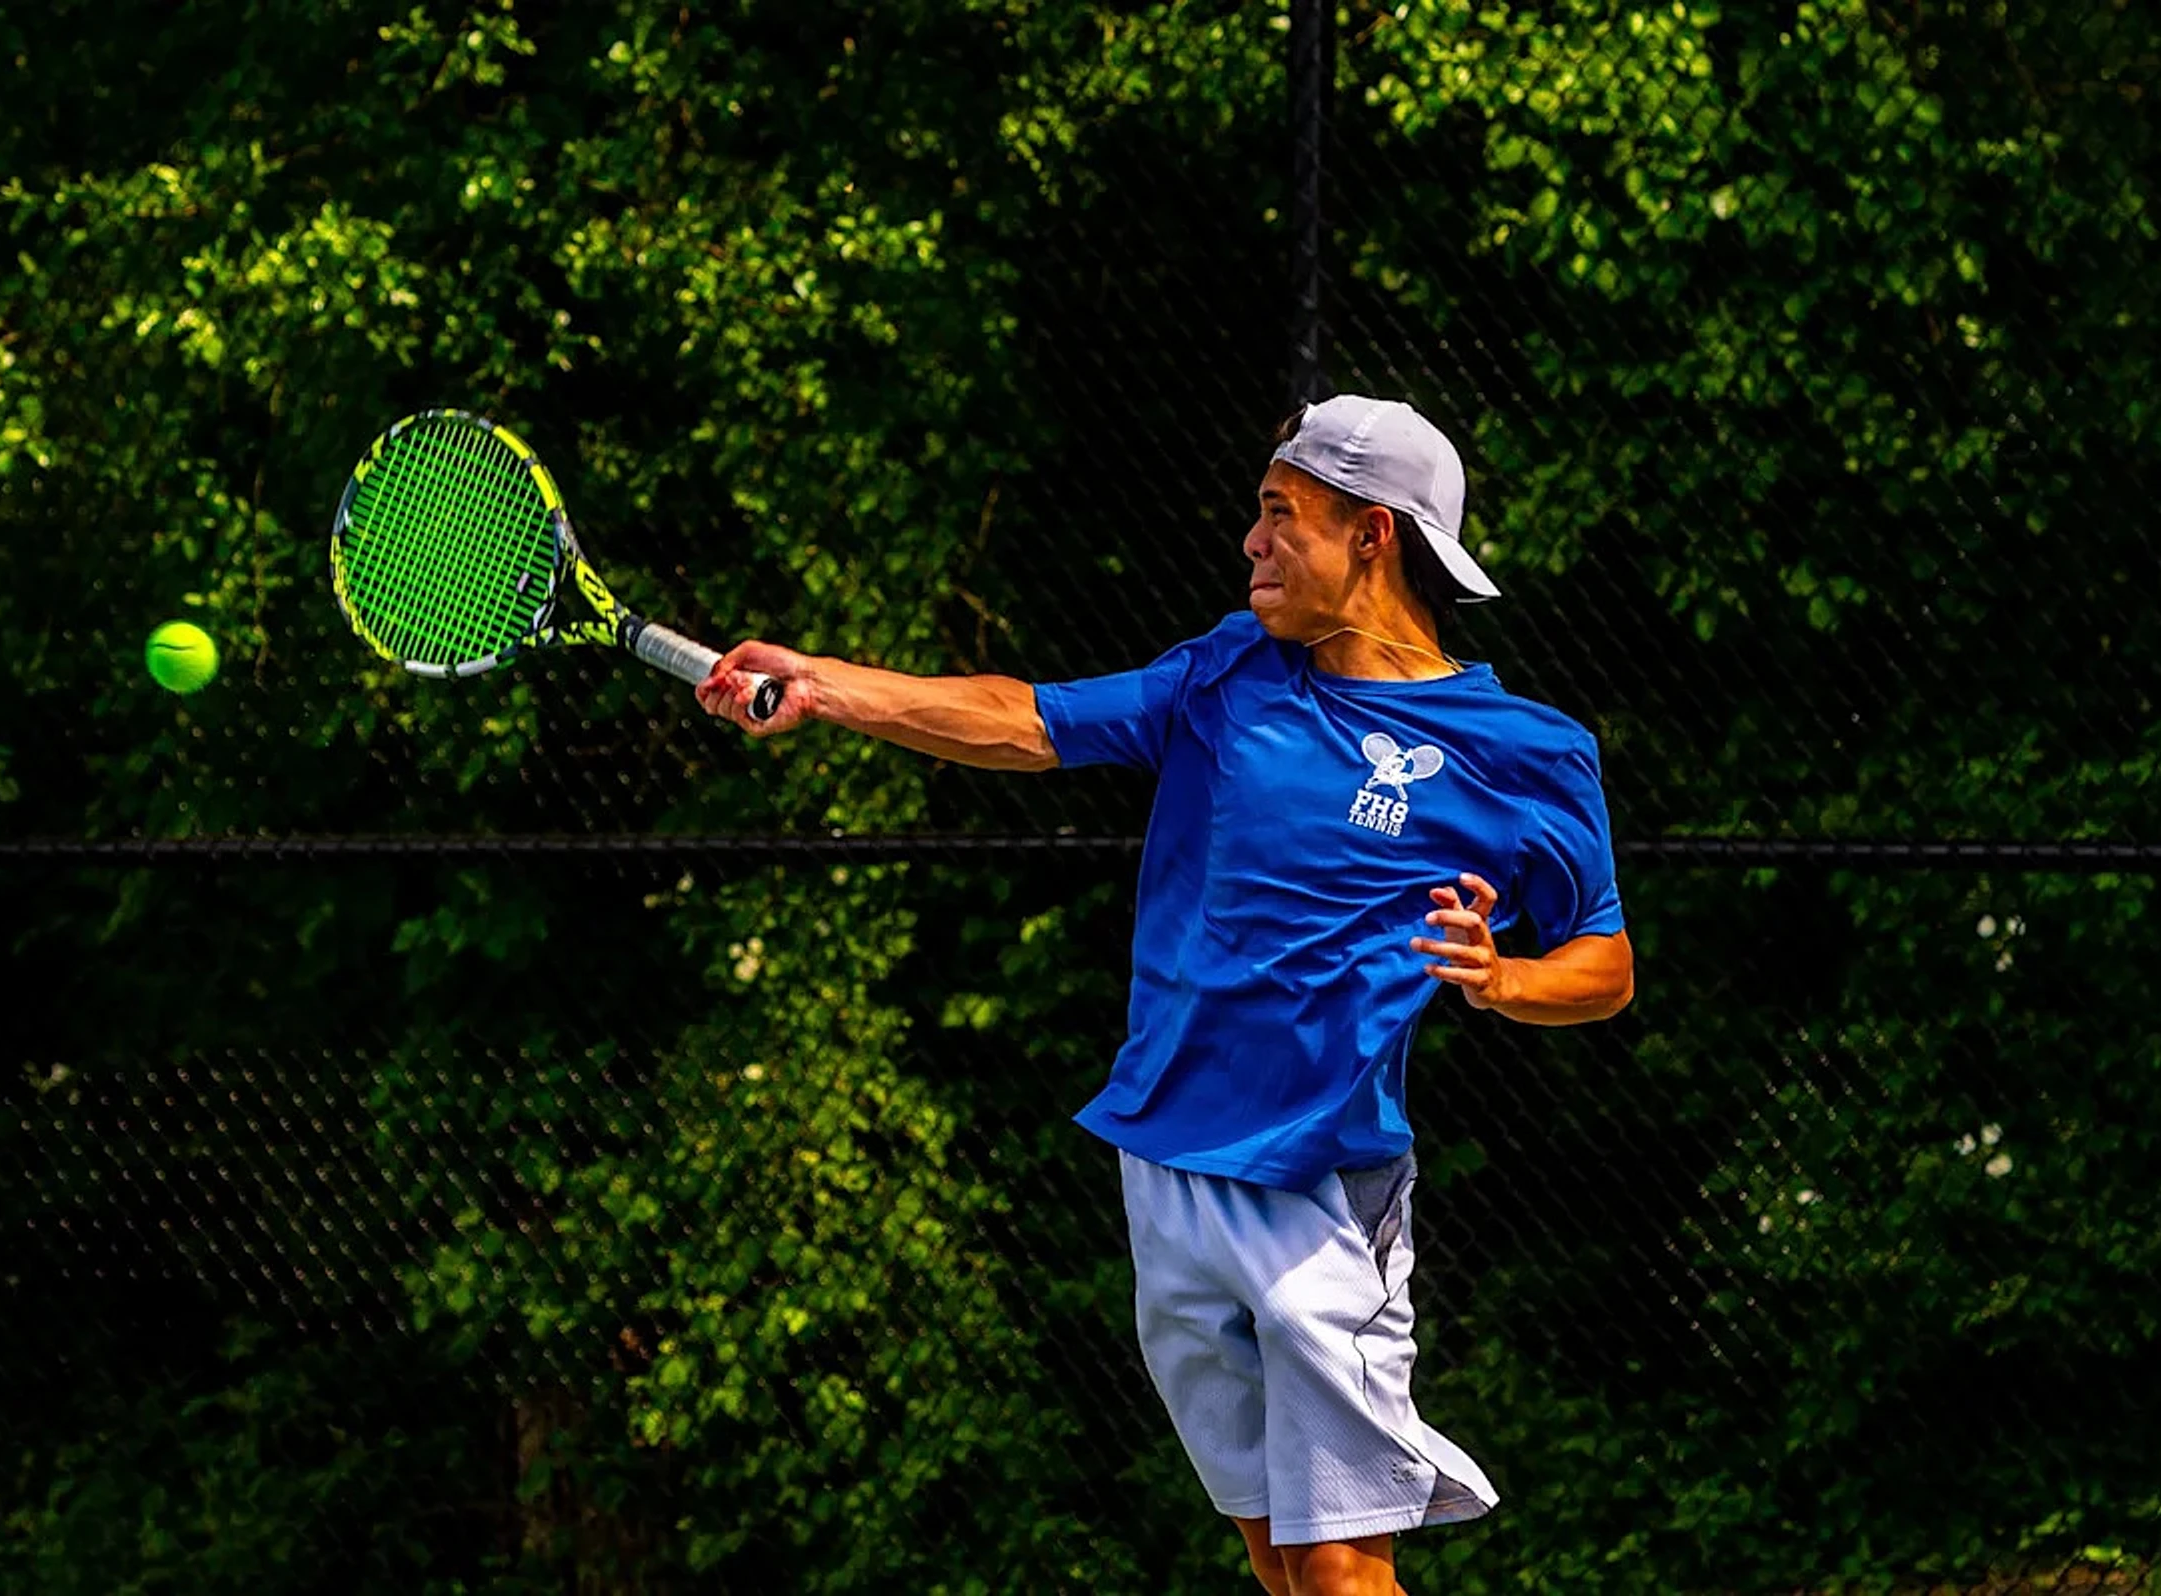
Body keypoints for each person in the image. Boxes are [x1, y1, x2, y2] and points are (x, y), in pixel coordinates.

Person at [696, 394, 1635, 1596]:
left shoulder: (1522, 749)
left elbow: (1604, 968)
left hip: (1320, 1191)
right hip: (1167, 1171)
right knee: (1283, 1566)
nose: (1251, 543)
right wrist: (828, 684)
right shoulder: (1227, 671)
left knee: (1346, 1574)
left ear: (1374, 537)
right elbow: (1025, 721)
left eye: (1280, 515)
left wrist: (1504, 980)